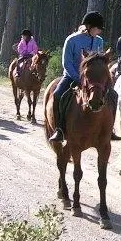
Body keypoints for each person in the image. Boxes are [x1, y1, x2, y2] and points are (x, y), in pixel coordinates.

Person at [48, 11, 106, 143]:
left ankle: (108, 129)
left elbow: (99, 62)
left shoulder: (99, 41)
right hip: (72, 77)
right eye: (98, 28)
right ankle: (59, 129)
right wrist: (78, 78)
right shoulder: (72, 40)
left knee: (111, 94)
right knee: (57, 95)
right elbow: (66, 63)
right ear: (89, 27)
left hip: (92, 80)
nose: (99, 32)